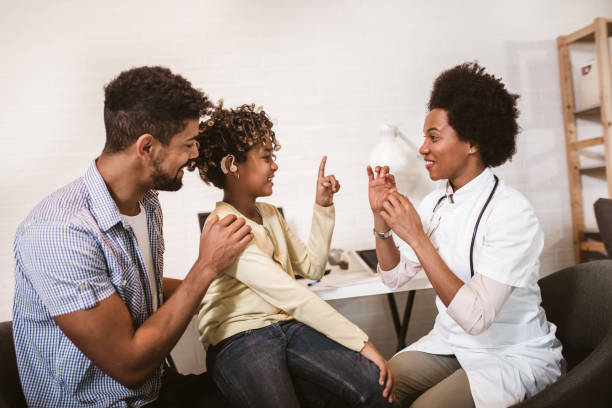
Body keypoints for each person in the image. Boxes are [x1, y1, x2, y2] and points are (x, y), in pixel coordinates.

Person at [12, 66, 251, 407]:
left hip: (155, 392)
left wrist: (237, 285)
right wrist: (207, 267)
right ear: (147, 148)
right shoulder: (59, 233)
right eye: (188, 144)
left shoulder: (147, 203)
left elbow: (139, 289)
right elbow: (130, 364)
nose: (196, 153)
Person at [367, 62, 564, 408]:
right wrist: (380, 217)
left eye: (433, 137)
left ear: (472, 142)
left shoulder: (512, 213)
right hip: (450, 344)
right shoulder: (435, 203)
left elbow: (476, 318)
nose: (422, 149)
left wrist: (417, 238)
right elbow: (393, 277)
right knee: (372, 388)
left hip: (509, 354)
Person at [193, 102, 394, 407]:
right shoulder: (226, 226)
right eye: (266, 158)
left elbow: (311, 268)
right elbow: (293, 296)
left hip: (286, 325)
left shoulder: (270, 214)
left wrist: (323, 206)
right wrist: (362, 342)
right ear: (232, 166)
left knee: (372, 386)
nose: (274, 165)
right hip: (240, 337)